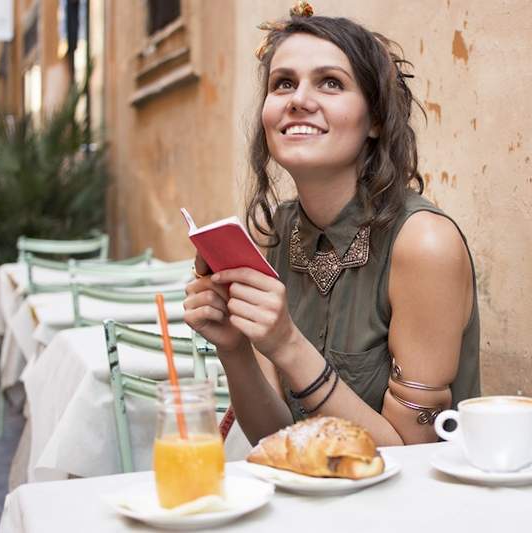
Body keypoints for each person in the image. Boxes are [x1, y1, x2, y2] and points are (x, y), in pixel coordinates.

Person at [183, 2, 480, 447]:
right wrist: (235, 350)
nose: (299, 100)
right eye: (283, 83)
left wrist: (286, 345)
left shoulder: (424, 244)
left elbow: (414, 455)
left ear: (375, 119)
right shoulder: (283, 231)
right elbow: (274, 435)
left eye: (330, 83)